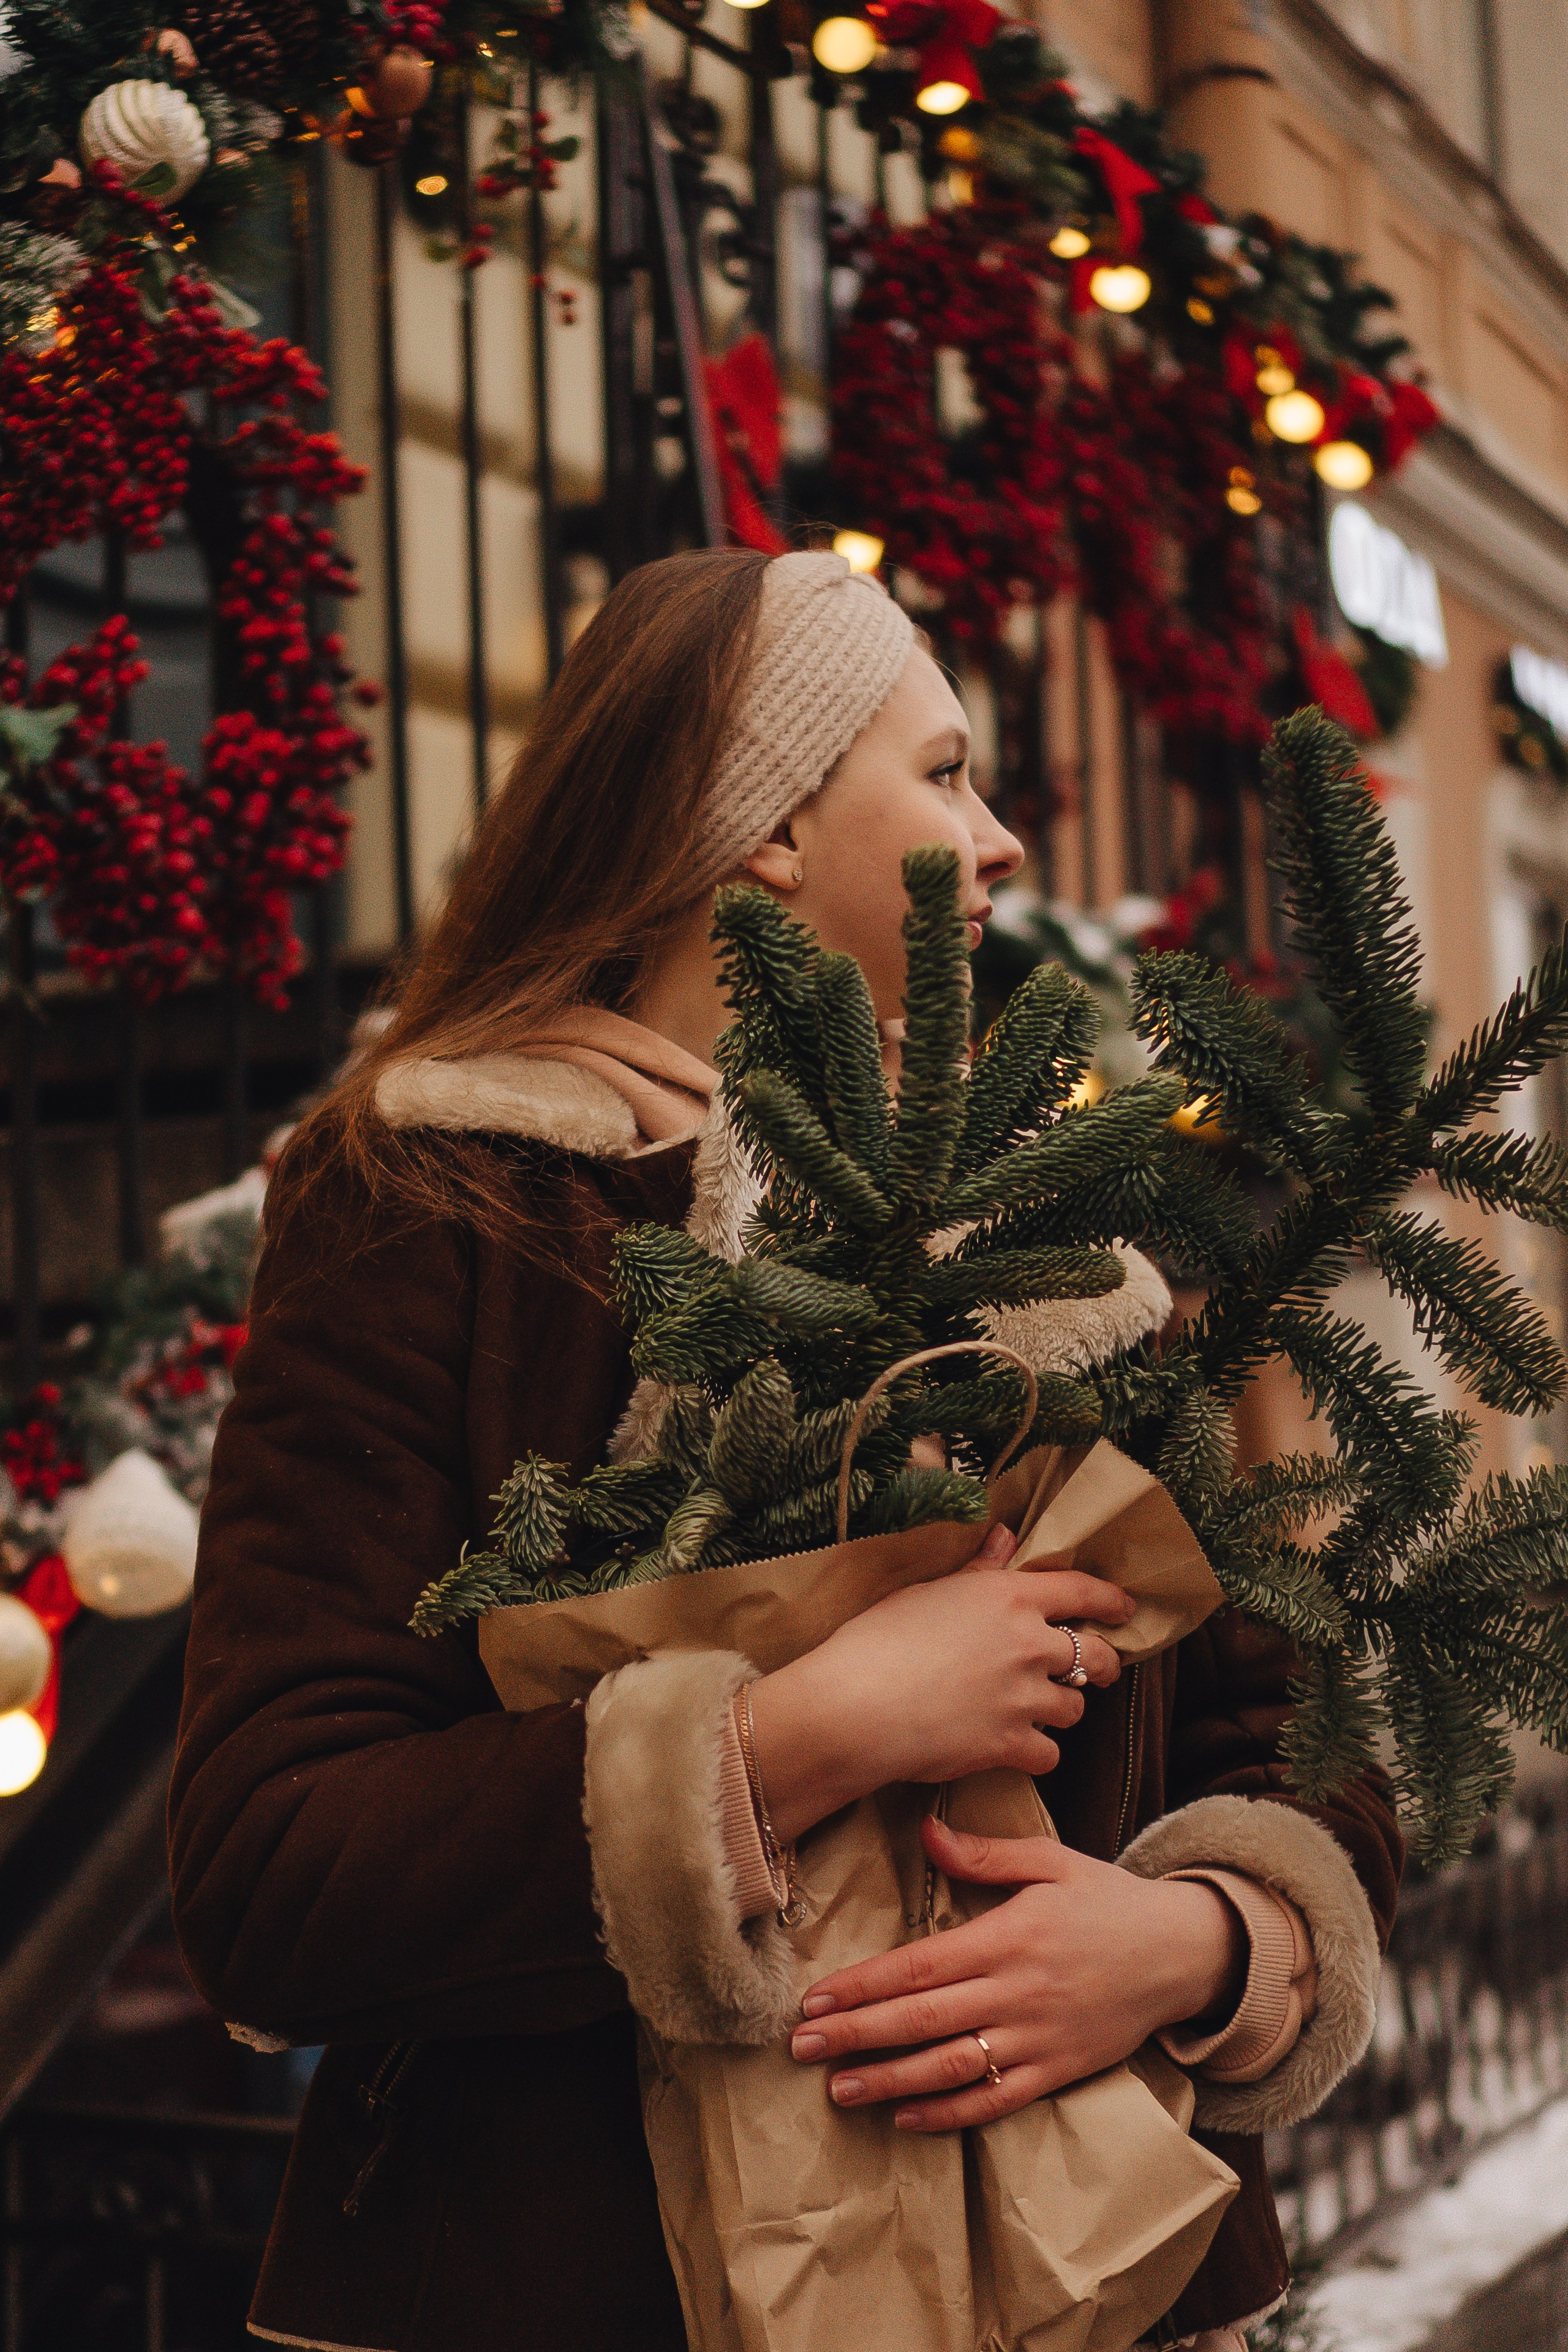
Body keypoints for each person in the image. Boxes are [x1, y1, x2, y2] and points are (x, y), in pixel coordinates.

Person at [170, 548, 1401, 2352]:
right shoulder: (434, 1203)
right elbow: (272, 1872)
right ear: (759, 828)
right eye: (947, 772)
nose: (1001, 848)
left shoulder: (1063, 1262)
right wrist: (802, 1734)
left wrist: (1203, 1946)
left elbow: (1298, 1763)